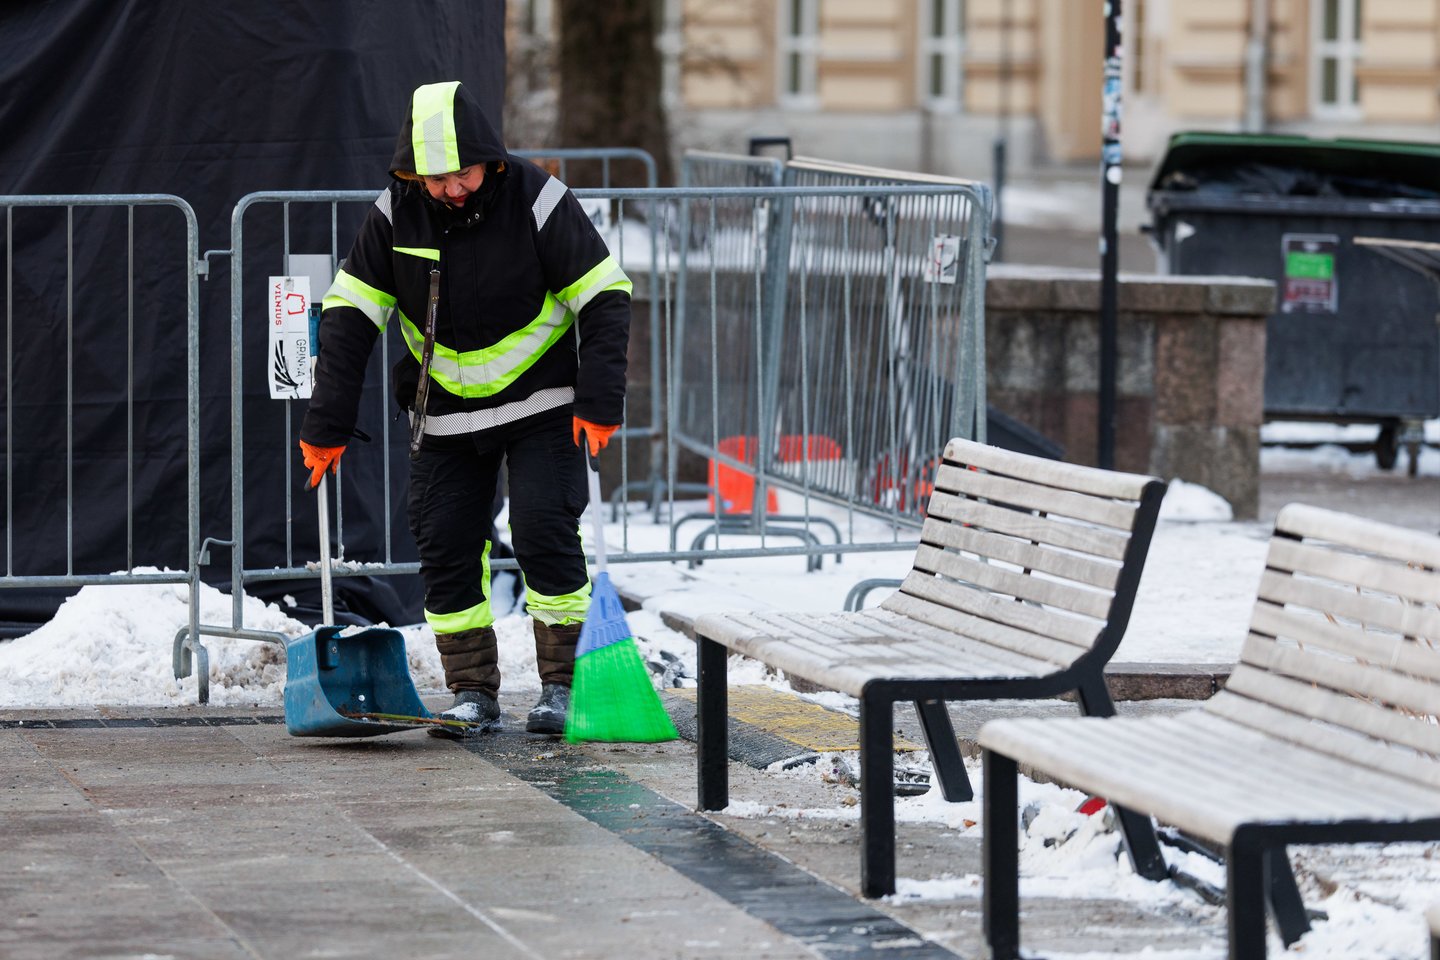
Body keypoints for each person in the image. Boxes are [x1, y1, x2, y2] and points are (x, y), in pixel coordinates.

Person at [297, 80, 630, 736]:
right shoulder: (394, 215)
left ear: (490, 159)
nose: (452, 189)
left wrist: (600, 399)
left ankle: (562, 687)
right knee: (445, 544)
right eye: (436, 179)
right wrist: (327, 421)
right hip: (446, 412)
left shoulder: (537, 199)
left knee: (542, 530)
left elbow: (605, 293)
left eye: (463, 174)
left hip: (542, 402)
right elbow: (350, 312)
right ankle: (473, 692)